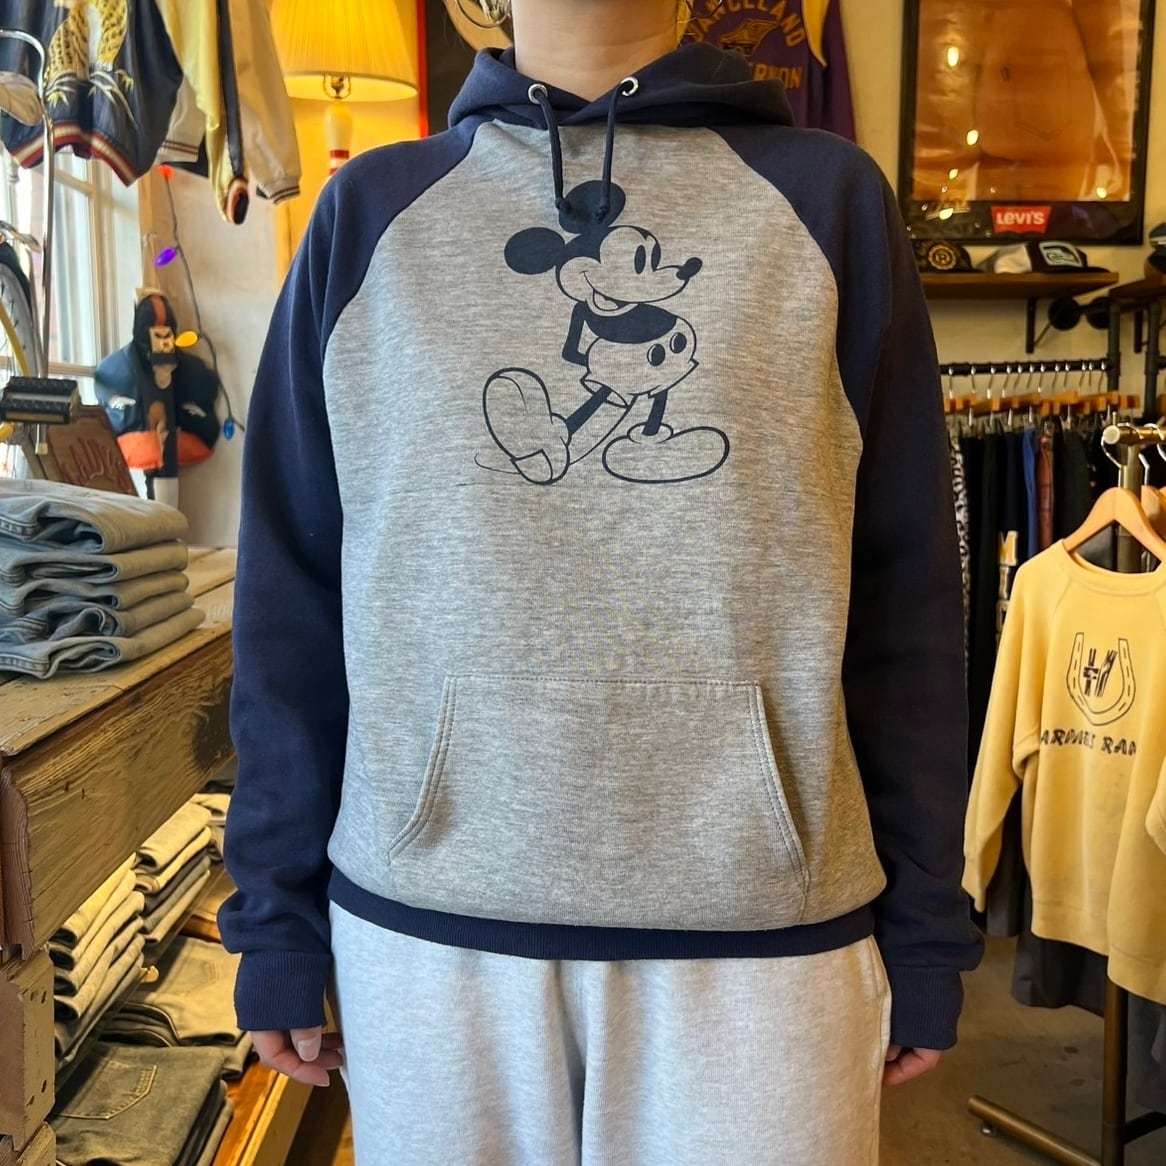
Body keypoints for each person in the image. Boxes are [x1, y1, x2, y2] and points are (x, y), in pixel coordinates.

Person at [220, 0, 985, 1161]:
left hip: (762, 934)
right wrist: (273, 916)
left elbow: (906, 598)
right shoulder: (368, 215)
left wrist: (926, 921)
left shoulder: (828, 201)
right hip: (431, 939)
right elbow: (290, 595)